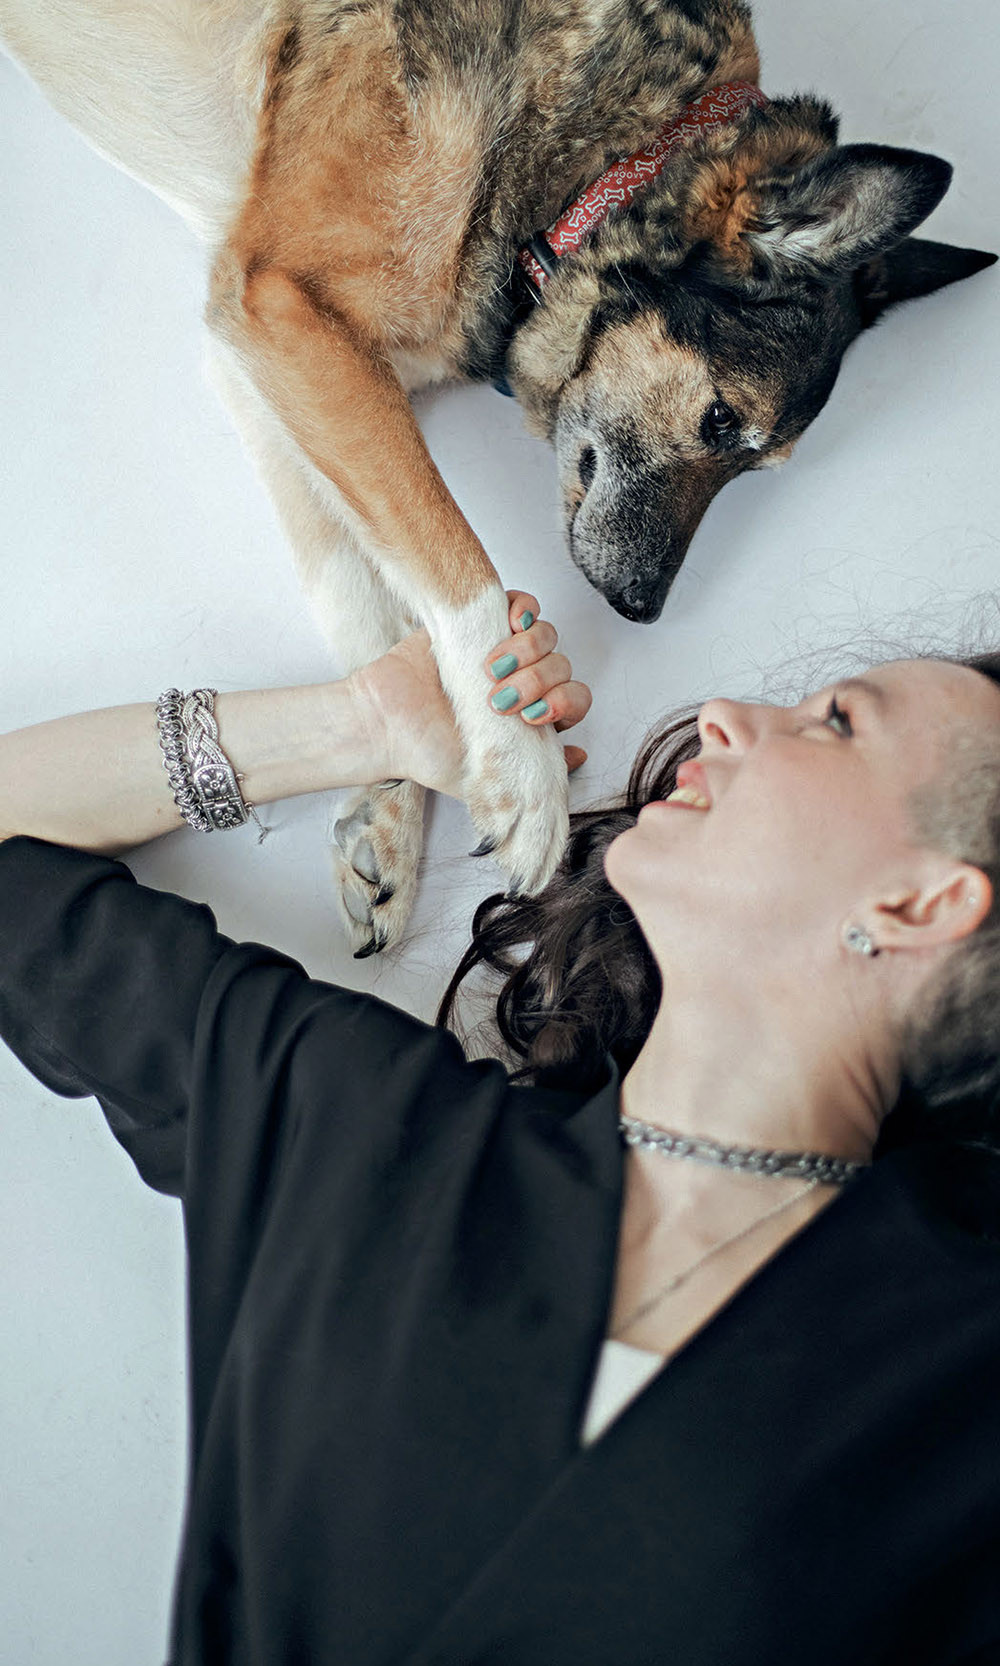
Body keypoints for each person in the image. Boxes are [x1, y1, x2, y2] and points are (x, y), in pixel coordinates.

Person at [0, 598, 998, 1665]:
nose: (725, 715)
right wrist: (366, 723)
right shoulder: (365, 1127)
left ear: (920, 904)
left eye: (836, 723)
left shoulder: (964, 1368)